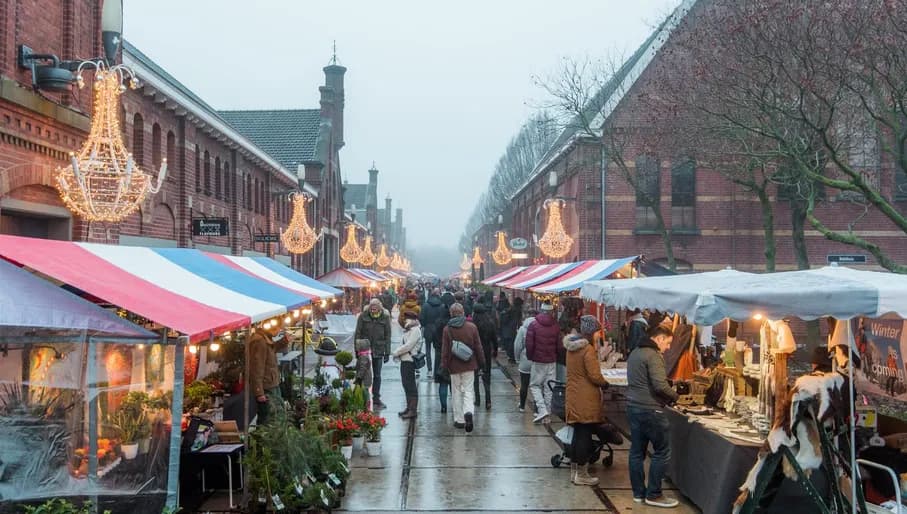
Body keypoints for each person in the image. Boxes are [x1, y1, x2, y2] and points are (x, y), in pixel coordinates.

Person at [565, 315, 624, 486]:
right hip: (586, 398)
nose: (599, 335)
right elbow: (594, 375)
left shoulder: (571, 347)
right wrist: (604, 383)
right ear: (591, 332)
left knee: (577, 434)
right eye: (598, 331)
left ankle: (575, 471)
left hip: (574, 396)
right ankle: (582, 474)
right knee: (584, 435)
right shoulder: (587, 349)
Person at [626, 324, 679, 508]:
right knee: (662, 452)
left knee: (636, 452)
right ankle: (654, 494)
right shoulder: (653, 355)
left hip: (633, 407)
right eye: (668, 343)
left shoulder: (635, 352)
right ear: (659, 338)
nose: (668, 347)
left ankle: (638, 494)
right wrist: (676, 396)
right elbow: (660, 386)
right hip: (651, 410)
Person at [440, 302, 485, 433]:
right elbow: (478, 347)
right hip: (469, 364)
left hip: (453, 366)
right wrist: (482, 362)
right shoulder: (472, 327)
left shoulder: (447, 329)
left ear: (451, 314)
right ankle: (469, 412)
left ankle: (459, 420)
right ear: (463, 312)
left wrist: (444, 365)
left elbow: (445, 351)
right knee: (469, 391)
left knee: (456, 392)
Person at [526, 302, 560, 424]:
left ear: (541, 310)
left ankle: (542, 409)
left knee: (535, 385)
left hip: (538, 360)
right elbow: (559, 345)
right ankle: (547, 415)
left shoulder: (533, 325)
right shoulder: (556, 326)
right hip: (551, 360)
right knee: (549, 387)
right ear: (552, 312)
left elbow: (529, 344)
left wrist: (531, 357)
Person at [356, 298, 393, 410]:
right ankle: (363, 398)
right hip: (365, 350)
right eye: (372, 307)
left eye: (375, 307)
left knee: (377, 375)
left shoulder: (385, 318)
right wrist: (357, 350)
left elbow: (388, 335)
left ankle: (376, 399)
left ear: (380, 307)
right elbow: (358, 333)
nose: (373, 309)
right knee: (363, 374)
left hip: (378, 349)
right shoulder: (363, 316)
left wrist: (387, 352)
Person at [249, 320, 286, 425]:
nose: (279, 331)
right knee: (268, 418)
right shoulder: (259, 341)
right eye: (279, 328)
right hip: (267, 386)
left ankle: (272, 439)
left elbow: (271, 350)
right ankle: (264, 440)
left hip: (271, 382)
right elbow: (256, 368)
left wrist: (284, 341)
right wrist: (259, 392)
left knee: (275, 415)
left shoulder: (265, 339)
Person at [393, 310, 423, 419]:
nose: (405, 320)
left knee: (410, 385)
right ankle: (408, 407)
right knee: (406, 384)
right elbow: (403, 343)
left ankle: (413, 410)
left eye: (406, 318)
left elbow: (409, 345)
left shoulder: (415, 330)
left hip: (409, 360)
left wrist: (396, 352)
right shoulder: (408, 329)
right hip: (404, 360)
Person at [471, 302, 497, 410]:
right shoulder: (490, 323)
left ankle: (477, 399)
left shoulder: (473, 325)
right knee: (487, 376)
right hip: (486, 351)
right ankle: (488, 400)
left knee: (475, 377)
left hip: (475, 352)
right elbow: (494, 339)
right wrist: (495, 350)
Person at [513, 308, 537, 412]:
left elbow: (517, 345)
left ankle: (522, 406)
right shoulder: (539, 328)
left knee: (524, 384)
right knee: (537, 386)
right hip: (537, 360)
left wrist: (517, 358)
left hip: (525, 359)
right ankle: (537, 409)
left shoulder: (523, 328)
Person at [420, 288, 445, 376]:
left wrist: (424, 325)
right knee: (438, 350)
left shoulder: (426, 305)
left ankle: (429, 369)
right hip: (438, 329)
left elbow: (421, 318)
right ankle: (437, 369)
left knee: (427, 349)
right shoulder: (441, 305)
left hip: (428, 328)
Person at [501, 296, 523, 363]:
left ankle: (511, 357)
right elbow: (518, 320)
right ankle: (512, 358)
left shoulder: (511, 308)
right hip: (514, 328)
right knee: (514, 343)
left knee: (511, 343)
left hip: (509, 328)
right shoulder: (517, 310)